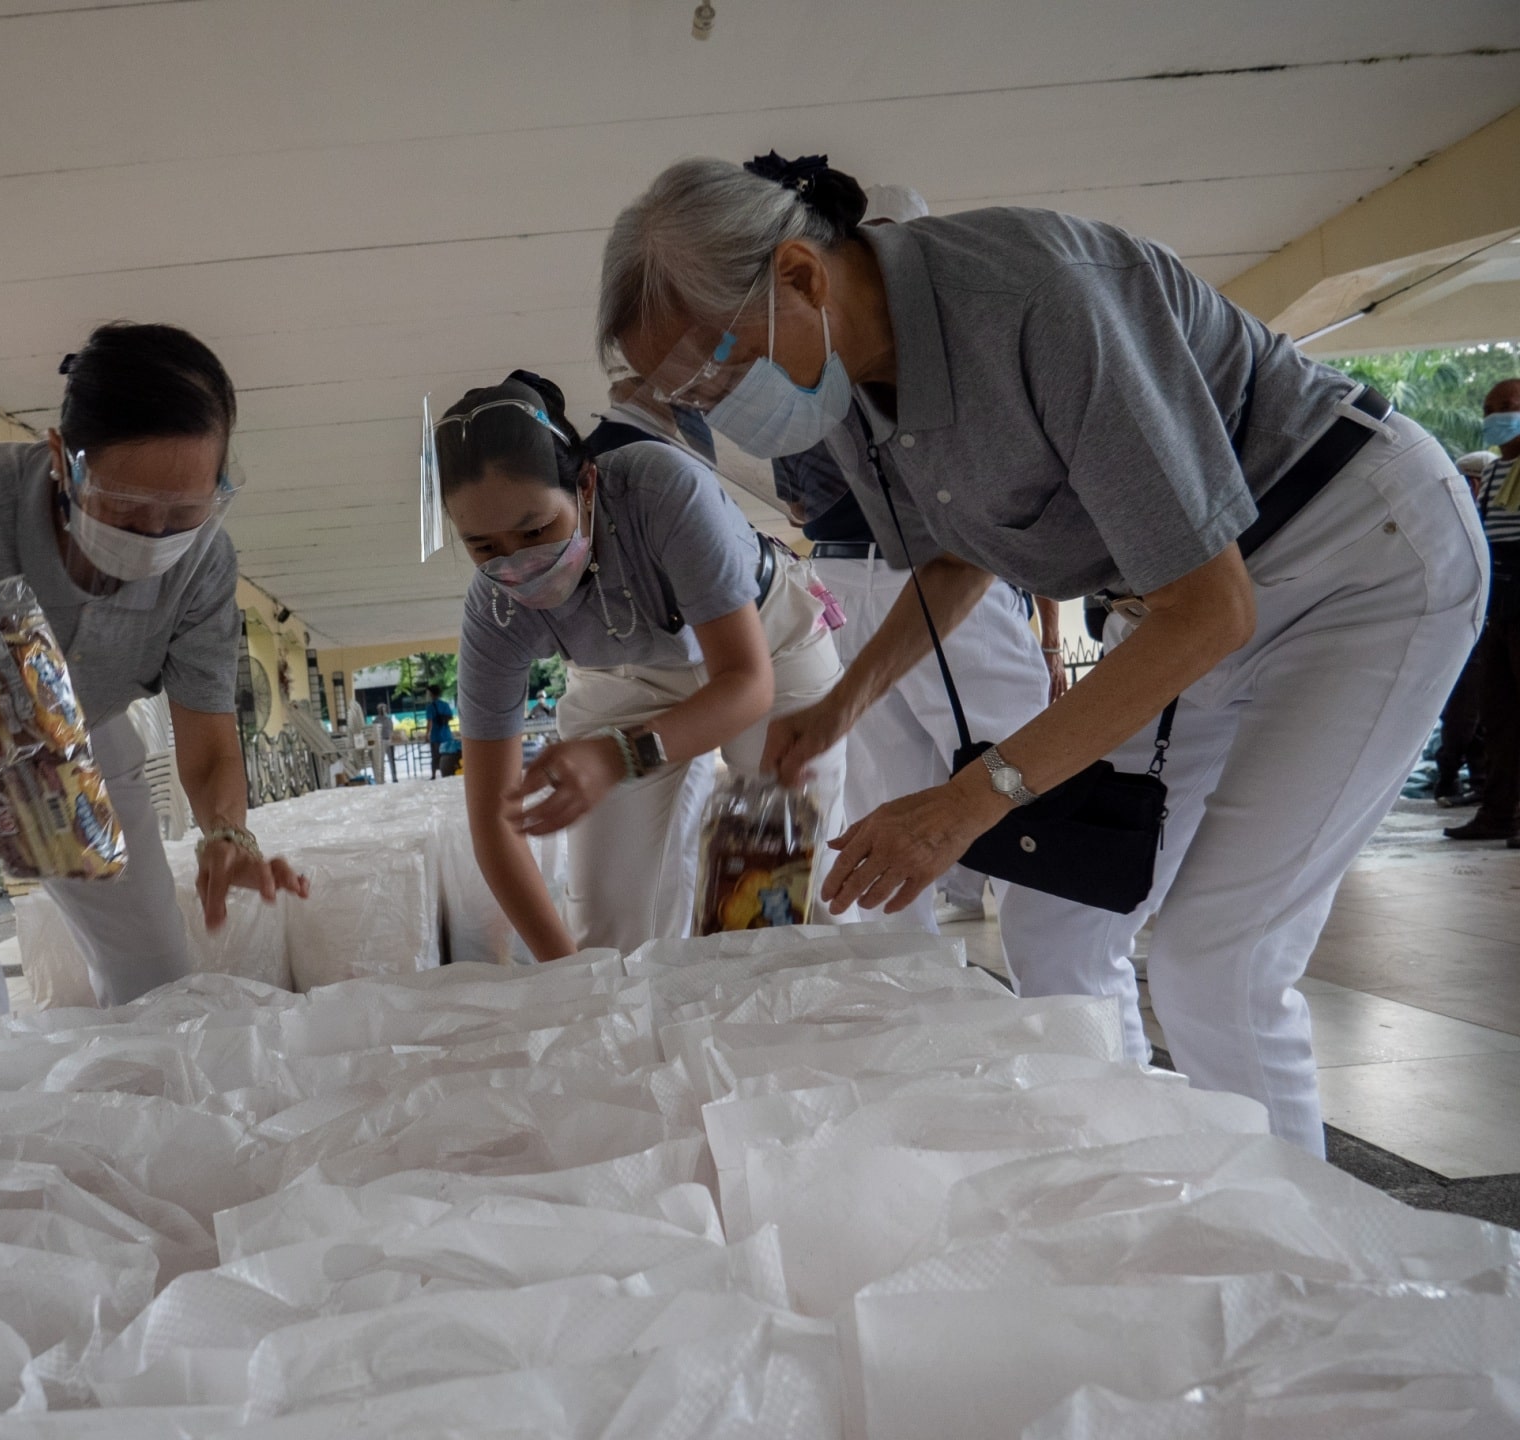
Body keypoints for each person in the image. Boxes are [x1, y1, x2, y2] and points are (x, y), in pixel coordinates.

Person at [600, 154, 1488, 1151]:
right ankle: (1107, 1177)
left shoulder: (1032, 302)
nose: (718, 403)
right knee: (1053, 920)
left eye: (716, 365)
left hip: (1351, 563)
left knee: (1216, 961)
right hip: (1185, 599)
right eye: (686, 392)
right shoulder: (845, 382)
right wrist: (839, 708)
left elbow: (1209, 610)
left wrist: (962, 804)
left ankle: (1296, 1256)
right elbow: (954, 557)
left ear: (803, 277)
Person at [0, 323, 307, 1022]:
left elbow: (207, 745)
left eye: (183, 513)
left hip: (86, 734)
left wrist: (227, 833)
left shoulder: (204, 560)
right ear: (62, 459)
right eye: (123, 509)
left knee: (160, 978)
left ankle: (148, 1121)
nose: (153, 540)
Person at [439, 370, 842, 955]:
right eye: (483, 547)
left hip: (765, 647)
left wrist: (620, 754)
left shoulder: (662, 490)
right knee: (611, 926)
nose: (518, 563)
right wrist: (575, 975)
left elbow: (747, 685)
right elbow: (494, 822)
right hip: (624, 676)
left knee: (782, 891)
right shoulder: (494, 613)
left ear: (586, 484)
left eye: (536, 529)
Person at [777, 438, 1053, 929]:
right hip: (946, 570)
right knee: (1020, 790)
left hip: (839, 582)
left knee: (878, 799)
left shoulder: (795, 389)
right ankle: (1058, 984)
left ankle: (906, 982)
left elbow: (797, 508)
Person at [1443, 378, 1520, 844]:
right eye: (1492, 407)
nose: (1499, 415)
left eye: (1509, 405)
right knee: (1498, 714)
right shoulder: (1492, 472)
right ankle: (1497, 814)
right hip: (1501, 604)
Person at [425, 683, 461, 777]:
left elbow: (430, 722)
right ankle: (446, 772)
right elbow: (450, 717)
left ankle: (433, 775)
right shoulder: (445, 705)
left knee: (435, 756)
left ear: (432, 694)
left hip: (436, 736)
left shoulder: (430, 707)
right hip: (446, 735)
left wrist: (427, 735)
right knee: (447, 755)